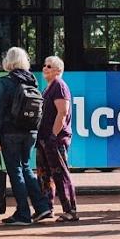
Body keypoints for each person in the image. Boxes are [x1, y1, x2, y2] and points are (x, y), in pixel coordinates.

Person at [0, 47, 52, 226]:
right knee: (26, 167)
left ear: (8, 61)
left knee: (15, 170)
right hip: (30, 131)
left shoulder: (5, 81)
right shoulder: (32, 80)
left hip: (11, 132)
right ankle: (41, 207)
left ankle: (23, 213)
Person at [37, 56, 78, 222]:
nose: (45, 68)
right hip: (44, 139)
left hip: (55, 139)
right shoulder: (48, 88)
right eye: (44, 65)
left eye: (49, 66)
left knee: (60, 173)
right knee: (44, 174)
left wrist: (53, 136)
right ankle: (47, 208)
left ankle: (70, 210)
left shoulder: (59, 86)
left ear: (58, 70)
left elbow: (63, 112)